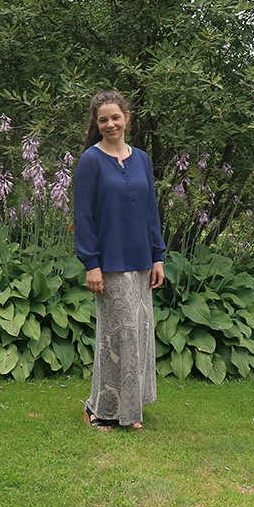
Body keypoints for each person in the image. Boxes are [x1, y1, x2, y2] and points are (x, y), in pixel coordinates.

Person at [74, 90, 165, 430]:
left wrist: (158, 256)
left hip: (141, 261)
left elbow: (150, 211)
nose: (110, 124)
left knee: (137, 335)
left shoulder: (141, 159)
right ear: (96, 125)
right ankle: (98, 408)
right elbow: (83, 217)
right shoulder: (91, 161)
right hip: (109, 264)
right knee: (115, 337)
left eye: (115, 117)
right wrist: (91, 264)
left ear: (127, 117)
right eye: (103, 119)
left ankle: (128, 410)